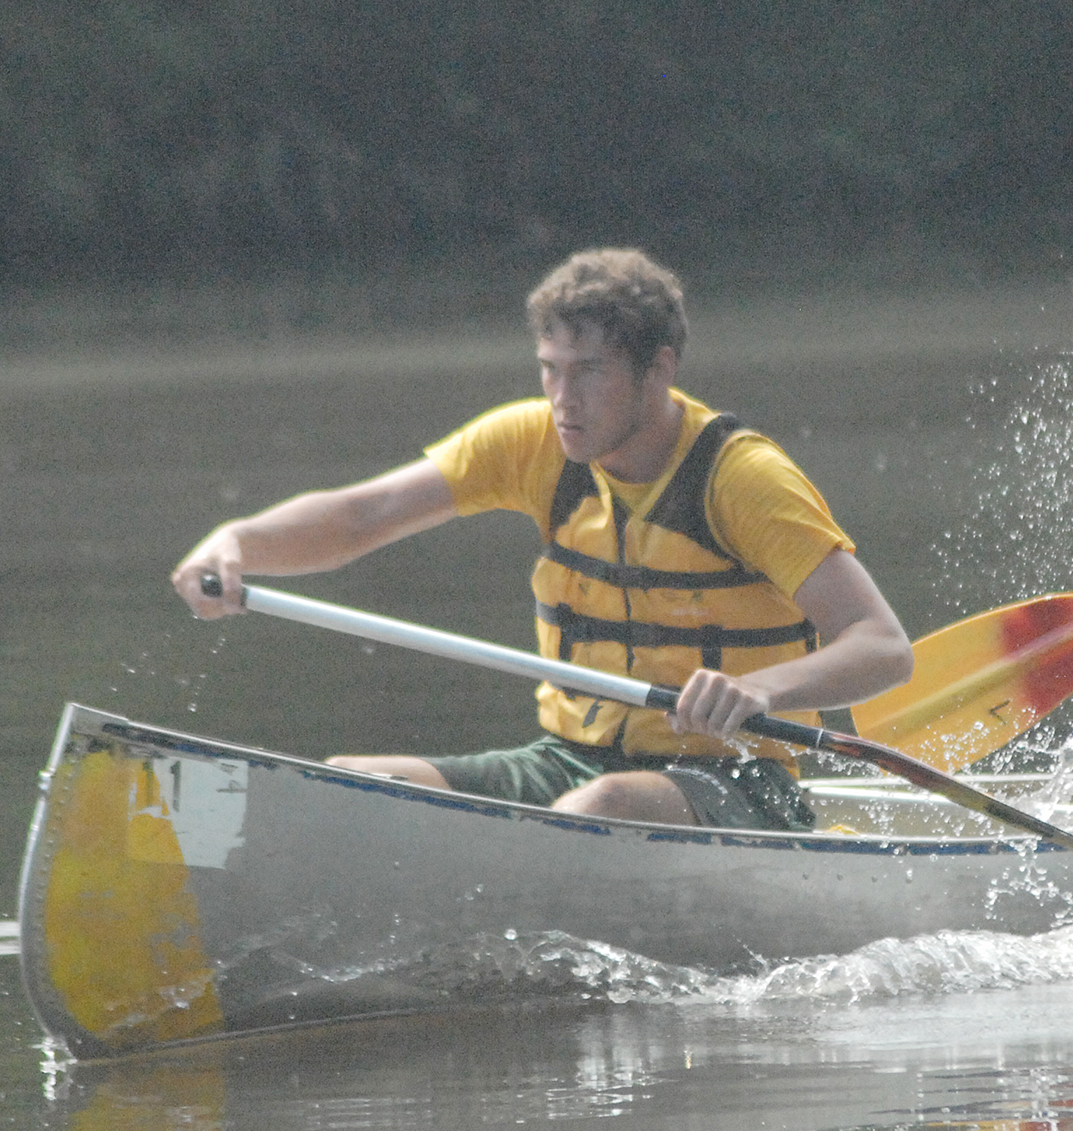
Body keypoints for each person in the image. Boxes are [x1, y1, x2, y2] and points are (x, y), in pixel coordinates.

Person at [171, 248, 914, 829]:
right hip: (569, 761)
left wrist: (761, 687)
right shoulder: (533, 444)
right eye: (550, 371)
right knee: (357, 783)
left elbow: (882, 644)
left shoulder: (742, 479)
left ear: (659, 369)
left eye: (588, 373)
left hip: (741, 782)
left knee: (597, 812)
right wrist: (237, 540)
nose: (563, 400)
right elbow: (361, 516)